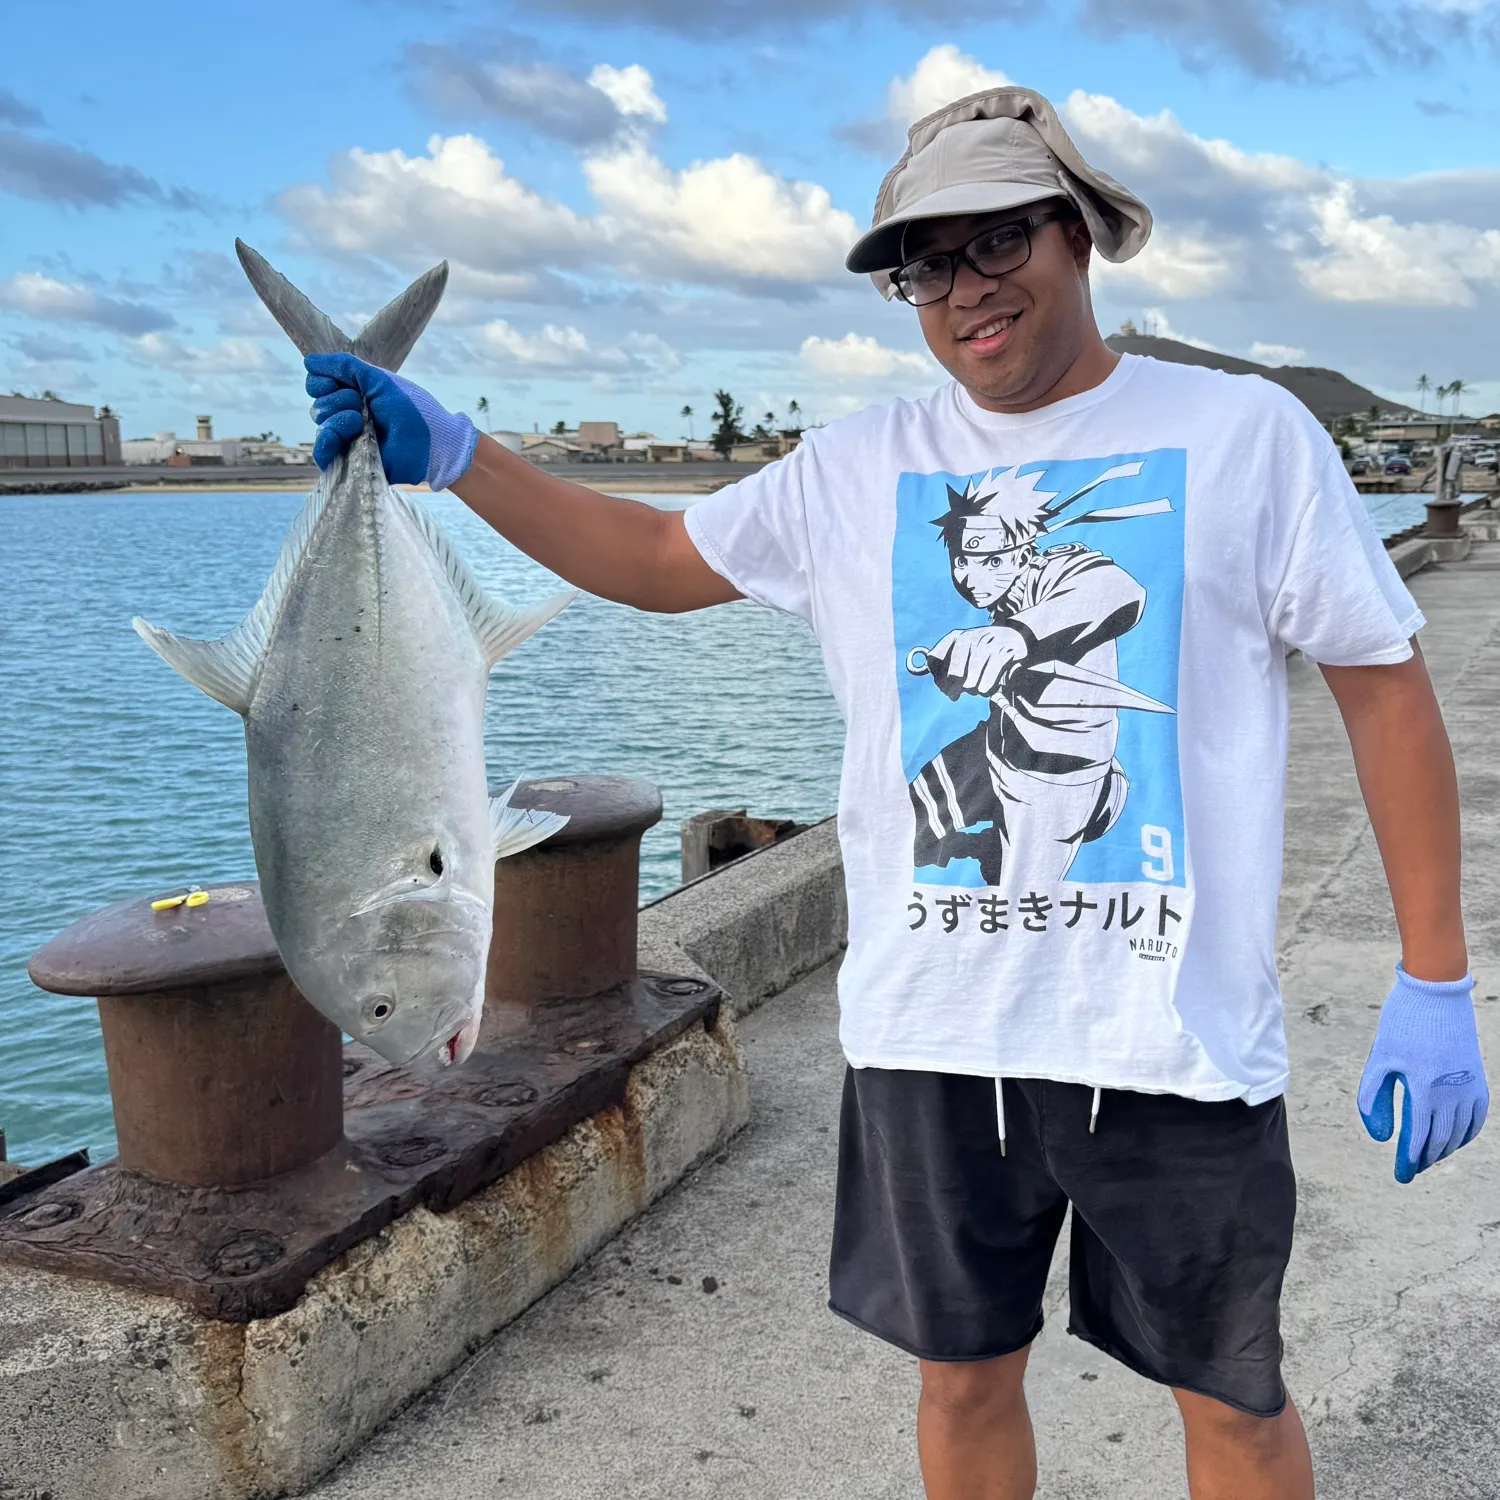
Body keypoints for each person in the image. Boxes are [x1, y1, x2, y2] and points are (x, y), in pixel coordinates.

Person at [304, 85, 1487, 1500]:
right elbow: (663, 560)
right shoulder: (861, 467)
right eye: (927, 266)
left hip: (1171, 1039)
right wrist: (460, 457)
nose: (966, 291)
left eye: (999, 243)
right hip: (935, 1035)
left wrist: (1437, 979)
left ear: (1080, 236)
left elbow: (1382, 683)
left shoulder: (1244, 434)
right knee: (963, 1380)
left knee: (1230, 1402)